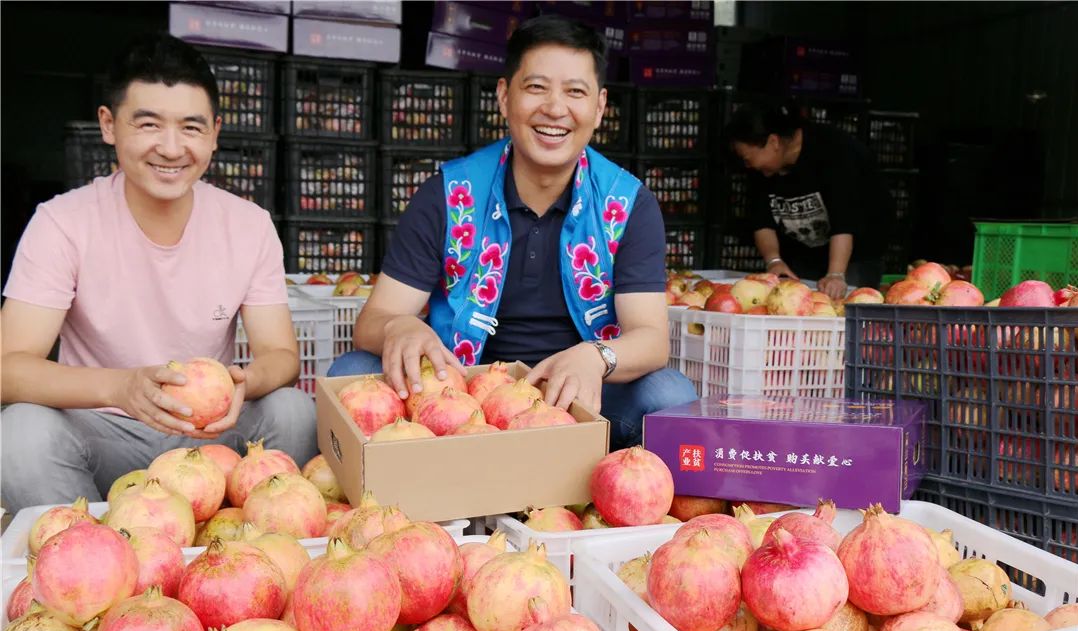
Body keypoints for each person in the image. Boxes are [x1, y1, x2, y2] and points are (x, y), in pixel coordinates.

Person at [329, 15, 697, 449]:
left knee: (669, 395)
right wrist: (400, 326)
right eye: (537, 87)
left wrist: (596, 356)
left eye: (575, 92)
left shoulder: (628, 203)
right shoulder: (449, 194)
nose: (555, 109)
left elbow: (651, 339)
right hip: (462, 394)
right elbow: (373, 321)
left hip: (579, 393)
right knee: (350, 371)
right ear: (505, 97)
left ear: (599, 107)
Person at [0, 34, 317, 514]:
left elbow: (281, 355)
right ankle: (85, 547)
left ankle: (247, 544)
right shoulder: (62, 222)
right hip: (102, 428)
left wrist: (244, 383)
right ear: (109, 125)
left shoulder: (248, 225)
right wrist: (120, 388)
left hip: (208, 434)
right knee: (19, 433)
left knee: (293, 411)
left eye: (191, 127)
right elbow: (9, 367)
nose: (171, 148)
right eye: (148, 124)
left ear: (214, 133)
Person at [725, 98, 893, 298]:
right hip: (804, 253)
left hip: (855, 252)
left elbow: (845, 219)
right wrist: (774, 261)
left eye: (747, 159)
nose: (748, 166)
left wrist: (836, 274)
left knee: (842, 303)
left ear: (773, 142)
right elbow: (761, 220)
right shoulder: (763, 170)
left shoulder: (835, 151)